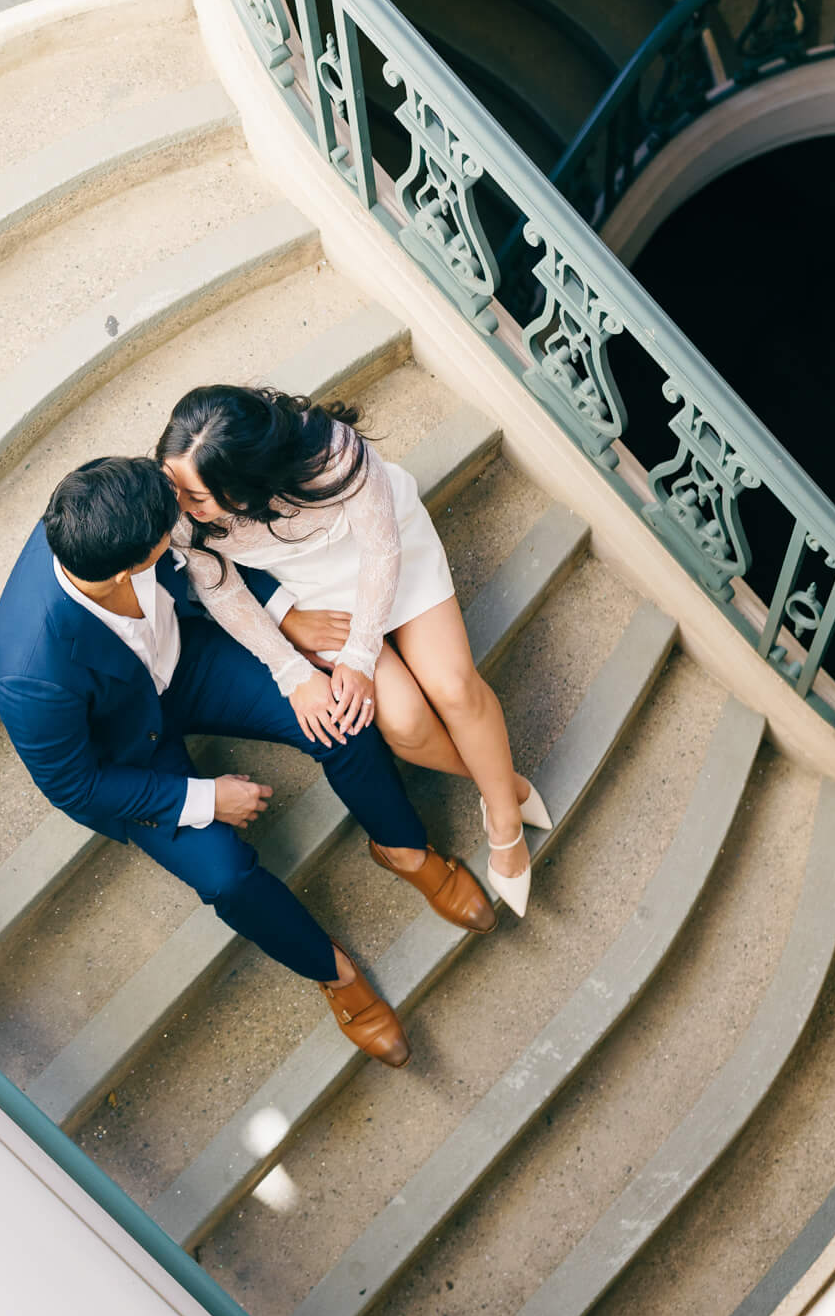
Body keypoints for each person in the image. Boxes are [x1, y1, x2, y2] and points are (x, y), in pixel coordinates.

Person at [0, 456, 498, 1069]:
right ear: (127, 569)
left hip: (192, 662)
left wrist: (284, 615)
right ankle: (334, 975)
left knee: (336, 718)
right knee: (226, 877)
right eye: (172, 524)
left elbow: (216, 555)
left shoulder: (125, 502)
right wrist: (203, 799)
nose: (188, 516)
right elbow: (73, 785)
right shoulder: (29, 670)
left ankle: (403, 848)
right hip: (129, 754)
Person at [156, 385, 549, 917]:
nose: (178, 504)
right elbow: (222, 591)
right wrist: (292, 671)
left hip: (387, 553)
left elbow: (383, 549)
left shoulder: (330, 453)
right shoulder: (179, 508)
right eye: (174, 482)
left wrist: (363, 657)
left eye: (196, 496)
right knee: (406, 723)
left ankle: (504, 823)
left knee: (453, 687)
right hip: (315, 591)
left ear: (248, 486)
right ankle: (504, 783)